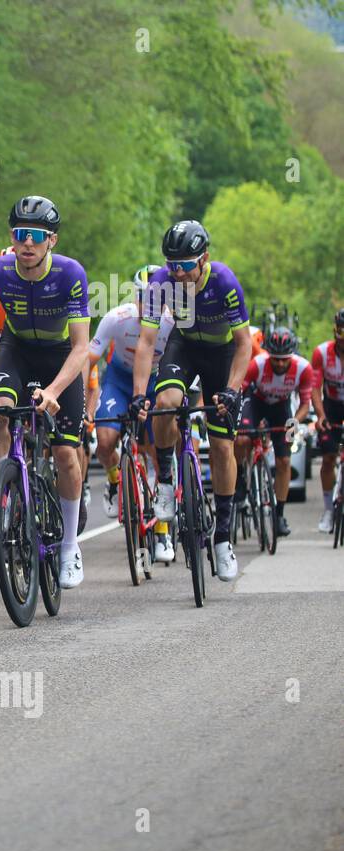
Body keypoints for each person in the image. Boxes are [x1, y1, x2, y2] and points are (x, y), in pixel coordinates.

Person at [0, 197, 91, 588]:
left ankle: (69, 545)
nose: (27, 243)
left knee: (67, 452)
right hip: (15, 351)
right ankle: (3, 493)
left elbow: (82, 347)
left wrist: (52, 391)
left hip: (58, 357)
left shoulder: (70, 274)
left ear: (51, 240)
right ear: (12, 237)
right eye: (20, 235)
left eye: (35, 236)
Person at [133, 220, 253, 582]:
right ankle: (167, 481)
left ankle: (223, 538)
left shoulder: (225, 282)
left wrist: (231, 390)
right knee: (164, 402)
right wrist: (140, 394)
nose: (180, 272)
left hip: (221, 353)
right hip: (184, 347)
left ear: (205, 259)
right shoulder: (161, 284)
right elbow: (145, 342)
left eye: (187, 264)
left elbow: (244, 344)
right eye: (173, 265)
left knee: (221, 446)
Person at [88, 264, 175, 560]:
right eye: (143, 296)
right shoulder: (116, 318)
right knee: (105, 439)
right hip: (119, 381)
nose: (147, 303)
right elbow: (89, 358)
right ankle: (115, 481)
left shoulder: (170, 323)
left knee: (156, 451)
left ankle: (163, 533)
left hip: (154, 382)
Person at [235, 327, 311, 538]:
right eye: (275, 359)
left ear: (292, 356)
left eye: (284, 359)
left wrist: (294, 423)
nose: (279, 363)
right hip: (256, 402)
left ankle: (279, 515)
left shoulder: (303, 368)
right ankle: (241, 478)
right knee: (241, 438)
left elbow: (305, 404)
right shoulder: (257, 365)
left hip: (282, 409)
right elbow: (240, 392)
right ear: (269, 354)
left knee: (285, 461)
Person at [310, 309, 344, 532]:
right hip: (331, 406)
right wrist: (320, 415)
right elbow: (314, 387)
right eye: (341, 332)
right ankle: (329, 511)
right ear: (335, 331)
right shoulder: (322, 352)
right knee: (329, 457)